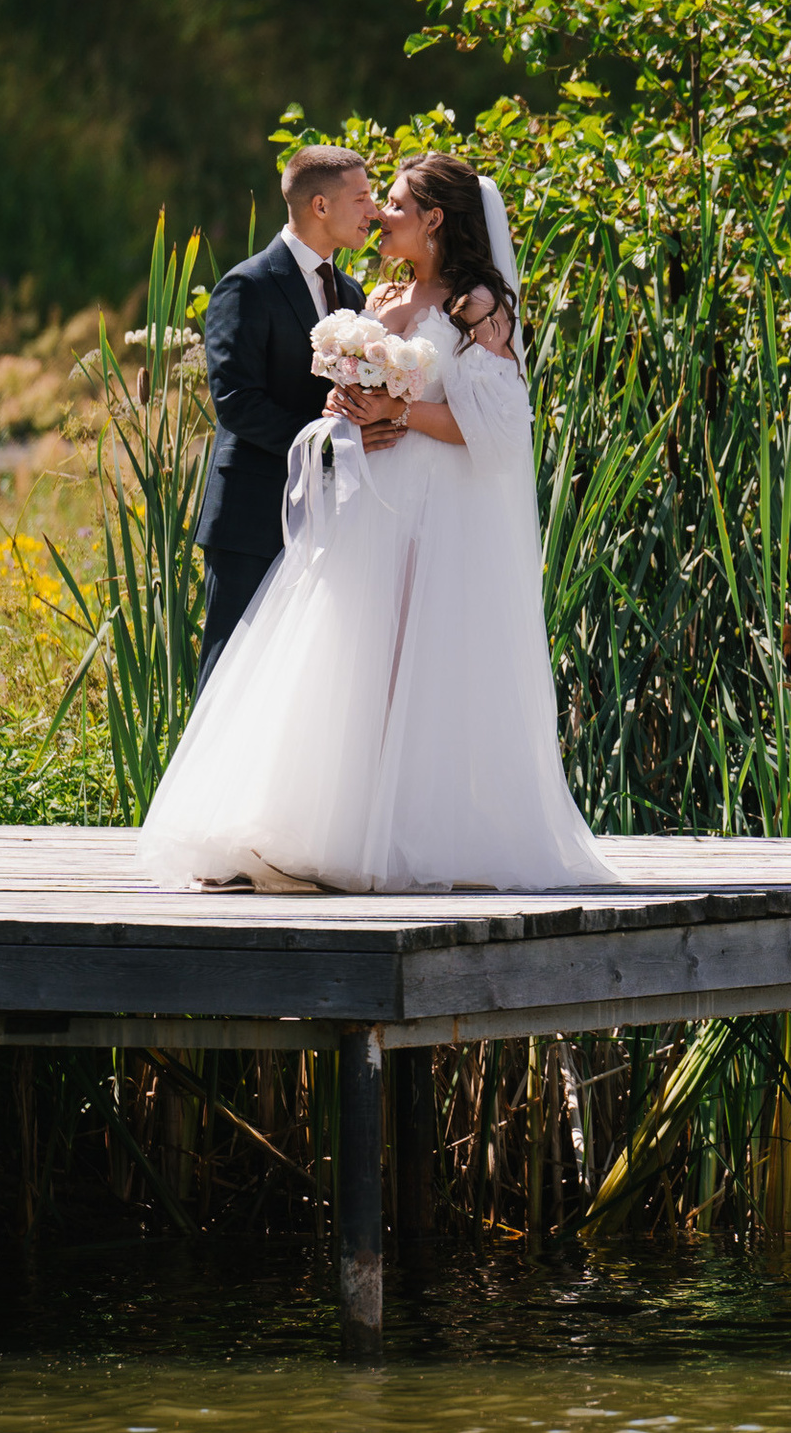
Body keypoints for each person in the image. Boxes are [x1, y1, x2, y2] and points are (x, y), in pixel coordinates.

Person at [141, 151, 618, 894]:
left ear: (434, 218)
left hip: (436, 509)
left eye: (392, 203)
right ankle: (312, 830)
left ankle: (402, 839)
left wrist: (399, 410)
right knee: (345, 656)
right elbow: (327, 394)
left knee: (413, 666)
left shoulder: (476, 305)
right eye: (376, 201)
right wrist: (344, 407)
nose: (380, 216)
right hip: (366, 506)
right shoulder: (382, 295)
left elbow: (498, 430)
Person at [190, 144, 373, 689]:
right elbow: (235, 401)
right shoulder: (247, 285)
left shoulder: (352, 292)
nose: (373, 211)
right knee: (229, 681)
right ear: (321, 205)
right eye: (362, 197)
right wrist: (327, 443)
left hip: (326, 523)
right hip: (253, 517)